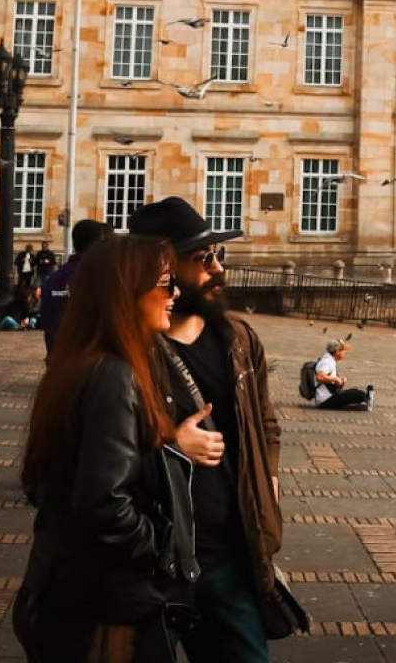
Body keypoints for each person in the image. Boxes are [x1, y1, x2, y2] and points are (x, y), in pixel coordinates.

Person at [13, 235, 196, 661]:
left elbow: (45, 482)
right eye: (166, 283)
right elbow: (103, 501)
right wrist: (160, 547)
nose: (176, 294)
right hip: (106, 603)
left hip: (60, 587)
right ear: (127, 291)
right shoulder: (114, 376)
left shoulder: (78, 363)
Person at [129, 197, 284, 663]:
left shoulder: (237, 339)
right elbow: (88, 459)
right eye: (203, 259)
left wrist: (269, 484)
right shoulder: (129, 352)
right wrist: (169, 443)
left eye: (219, 255)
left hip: (228, 554)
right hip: (153, 558)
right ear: (162, 268)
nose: (217, 269)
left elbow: (266, 422)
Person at [40, 219, 112, 352]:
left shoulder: (54, 279)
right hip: (87, 361)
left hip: (58, 358)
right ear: (98, 243)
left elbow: (46, 321)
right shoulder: (99, 277)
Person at [308, 339, 372, 410]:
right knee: (360, 394)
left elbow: (327, 381)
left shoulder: (329, 359)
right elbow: (320, 377)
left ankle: (359, 404)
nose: (345, 352)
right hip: (325, 400)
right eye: (343, 350)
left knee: (354, 391)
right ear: (337, 351)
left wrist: (340, 381)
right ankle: (365, 402)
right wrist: (336, 379)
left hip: (326, 397)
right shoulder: (328, 362)